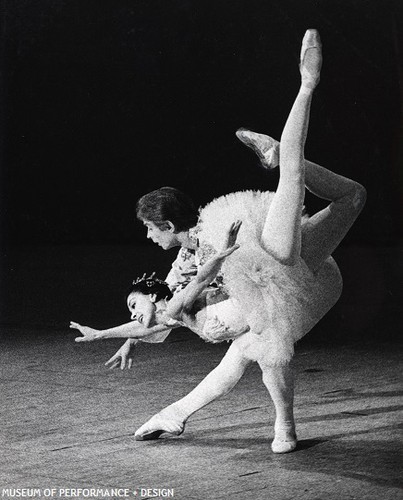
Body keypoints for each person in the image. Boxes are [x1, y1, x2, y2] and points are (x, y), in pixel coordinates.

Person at [71, 29, 366, 453]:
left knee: (338, 198)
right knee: (259, 346)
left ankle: (303, 96)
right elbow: (161, 312)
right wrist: (130, 335)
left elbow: (167, 307)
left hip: (291, 267)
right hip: (297, 288)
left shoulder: (208, 241)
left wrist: (112, 333)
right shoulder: (177, 272)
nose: (148, 237)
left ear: (170, 226)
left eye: (151, 229)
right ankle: (258, 425)